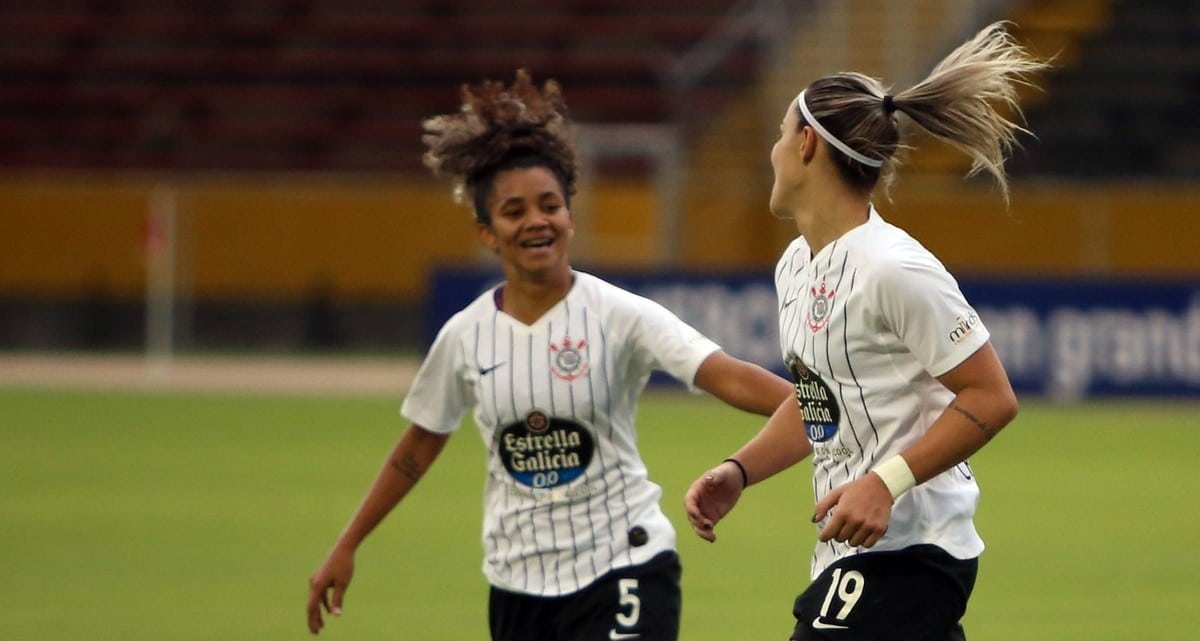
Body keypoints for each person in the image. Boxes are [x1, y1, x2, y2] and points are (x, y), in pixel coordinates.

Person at [305, 69, 794, 641]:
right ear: (488, 232)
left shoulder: (619, 314)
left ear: (570, 214)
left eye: (549, 205)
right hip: (517, 587)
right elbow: (417, 446)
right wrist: (347, 544)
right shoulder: (466, 336)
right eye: (514, 212)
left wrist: (819, 410)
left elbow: (730, 378)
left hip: (626, 565)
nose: (536, 220)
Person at [684, 22, 1046, 641]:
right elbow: (821, 405)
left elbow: (992, 397)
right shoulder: (796, 265)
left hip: (913, 549)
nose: (770, 149)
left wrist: (885, 482)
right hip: (851, 552)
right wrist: (740, 470)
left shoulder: (894, 267)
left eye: (778, 133)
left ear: (805, 145)